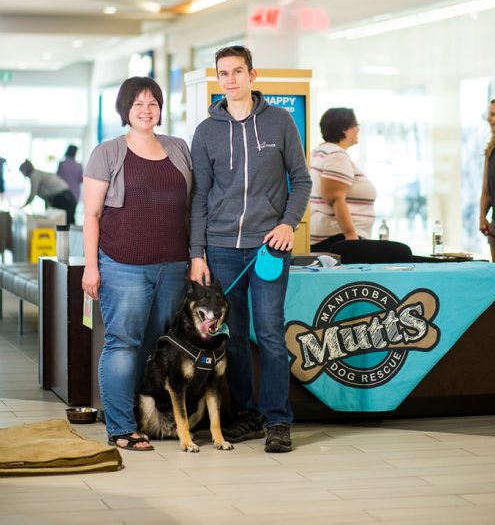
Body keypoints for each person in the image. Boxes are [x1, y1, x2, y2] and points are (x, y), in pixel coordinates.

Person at [189, 45, 311, 454]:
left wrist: (286, 223)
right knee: (235, 338)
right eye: (223, 74)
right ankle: (246, 416)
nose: (230, 80)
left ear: (252, 75)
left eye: (237, 72)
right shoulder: (206, 131)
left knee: (272, 335)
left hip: (268, 249)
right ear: (218, 79)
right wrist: (197, 253)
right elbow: (200, 196)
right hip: (222, 249)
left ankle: (278, 420)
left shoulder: (279, 122)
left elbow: (302, 180)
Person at [81, 76, 192, 451]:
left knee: (158, 345)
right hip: (122, 265)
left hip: (173, 266)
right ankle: (120, 427)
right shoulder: (108, 152)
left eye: (153, 103)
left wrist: (196, 257)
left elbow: (191, 209)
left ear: (161, 108)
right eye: (138, 104)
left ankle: (155, 420)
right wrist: (91, 266)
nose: (146, 110)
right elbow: (92, 214)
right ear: (125, 109)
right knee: (123, 344)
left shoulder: (178, 148)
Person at [310, 107, 377, 250]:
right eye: (355, 125)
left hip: (330, 236)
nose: (358, 130)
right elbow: (335, 198)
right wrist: (351, 237)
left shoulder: (319, 152)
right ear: (344, 129)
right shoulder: (336, 155)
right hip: (338, 237)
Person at [19, 159, 77, 224]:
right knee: (64, 222)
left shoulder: (34, 175)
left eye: (22, 171)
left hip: (63, 197)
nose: (22, 174)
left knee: (62, 223)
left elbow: (32, 194)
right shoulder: (38, 174)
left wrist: (22, 206)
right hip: (66, 196)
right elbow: (47, 197)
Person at [480, 97, 495, 263]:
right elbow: (486, 189)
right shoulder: (491, 150)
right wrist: (482, 217)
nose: (488, 118)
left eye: (493, 114)